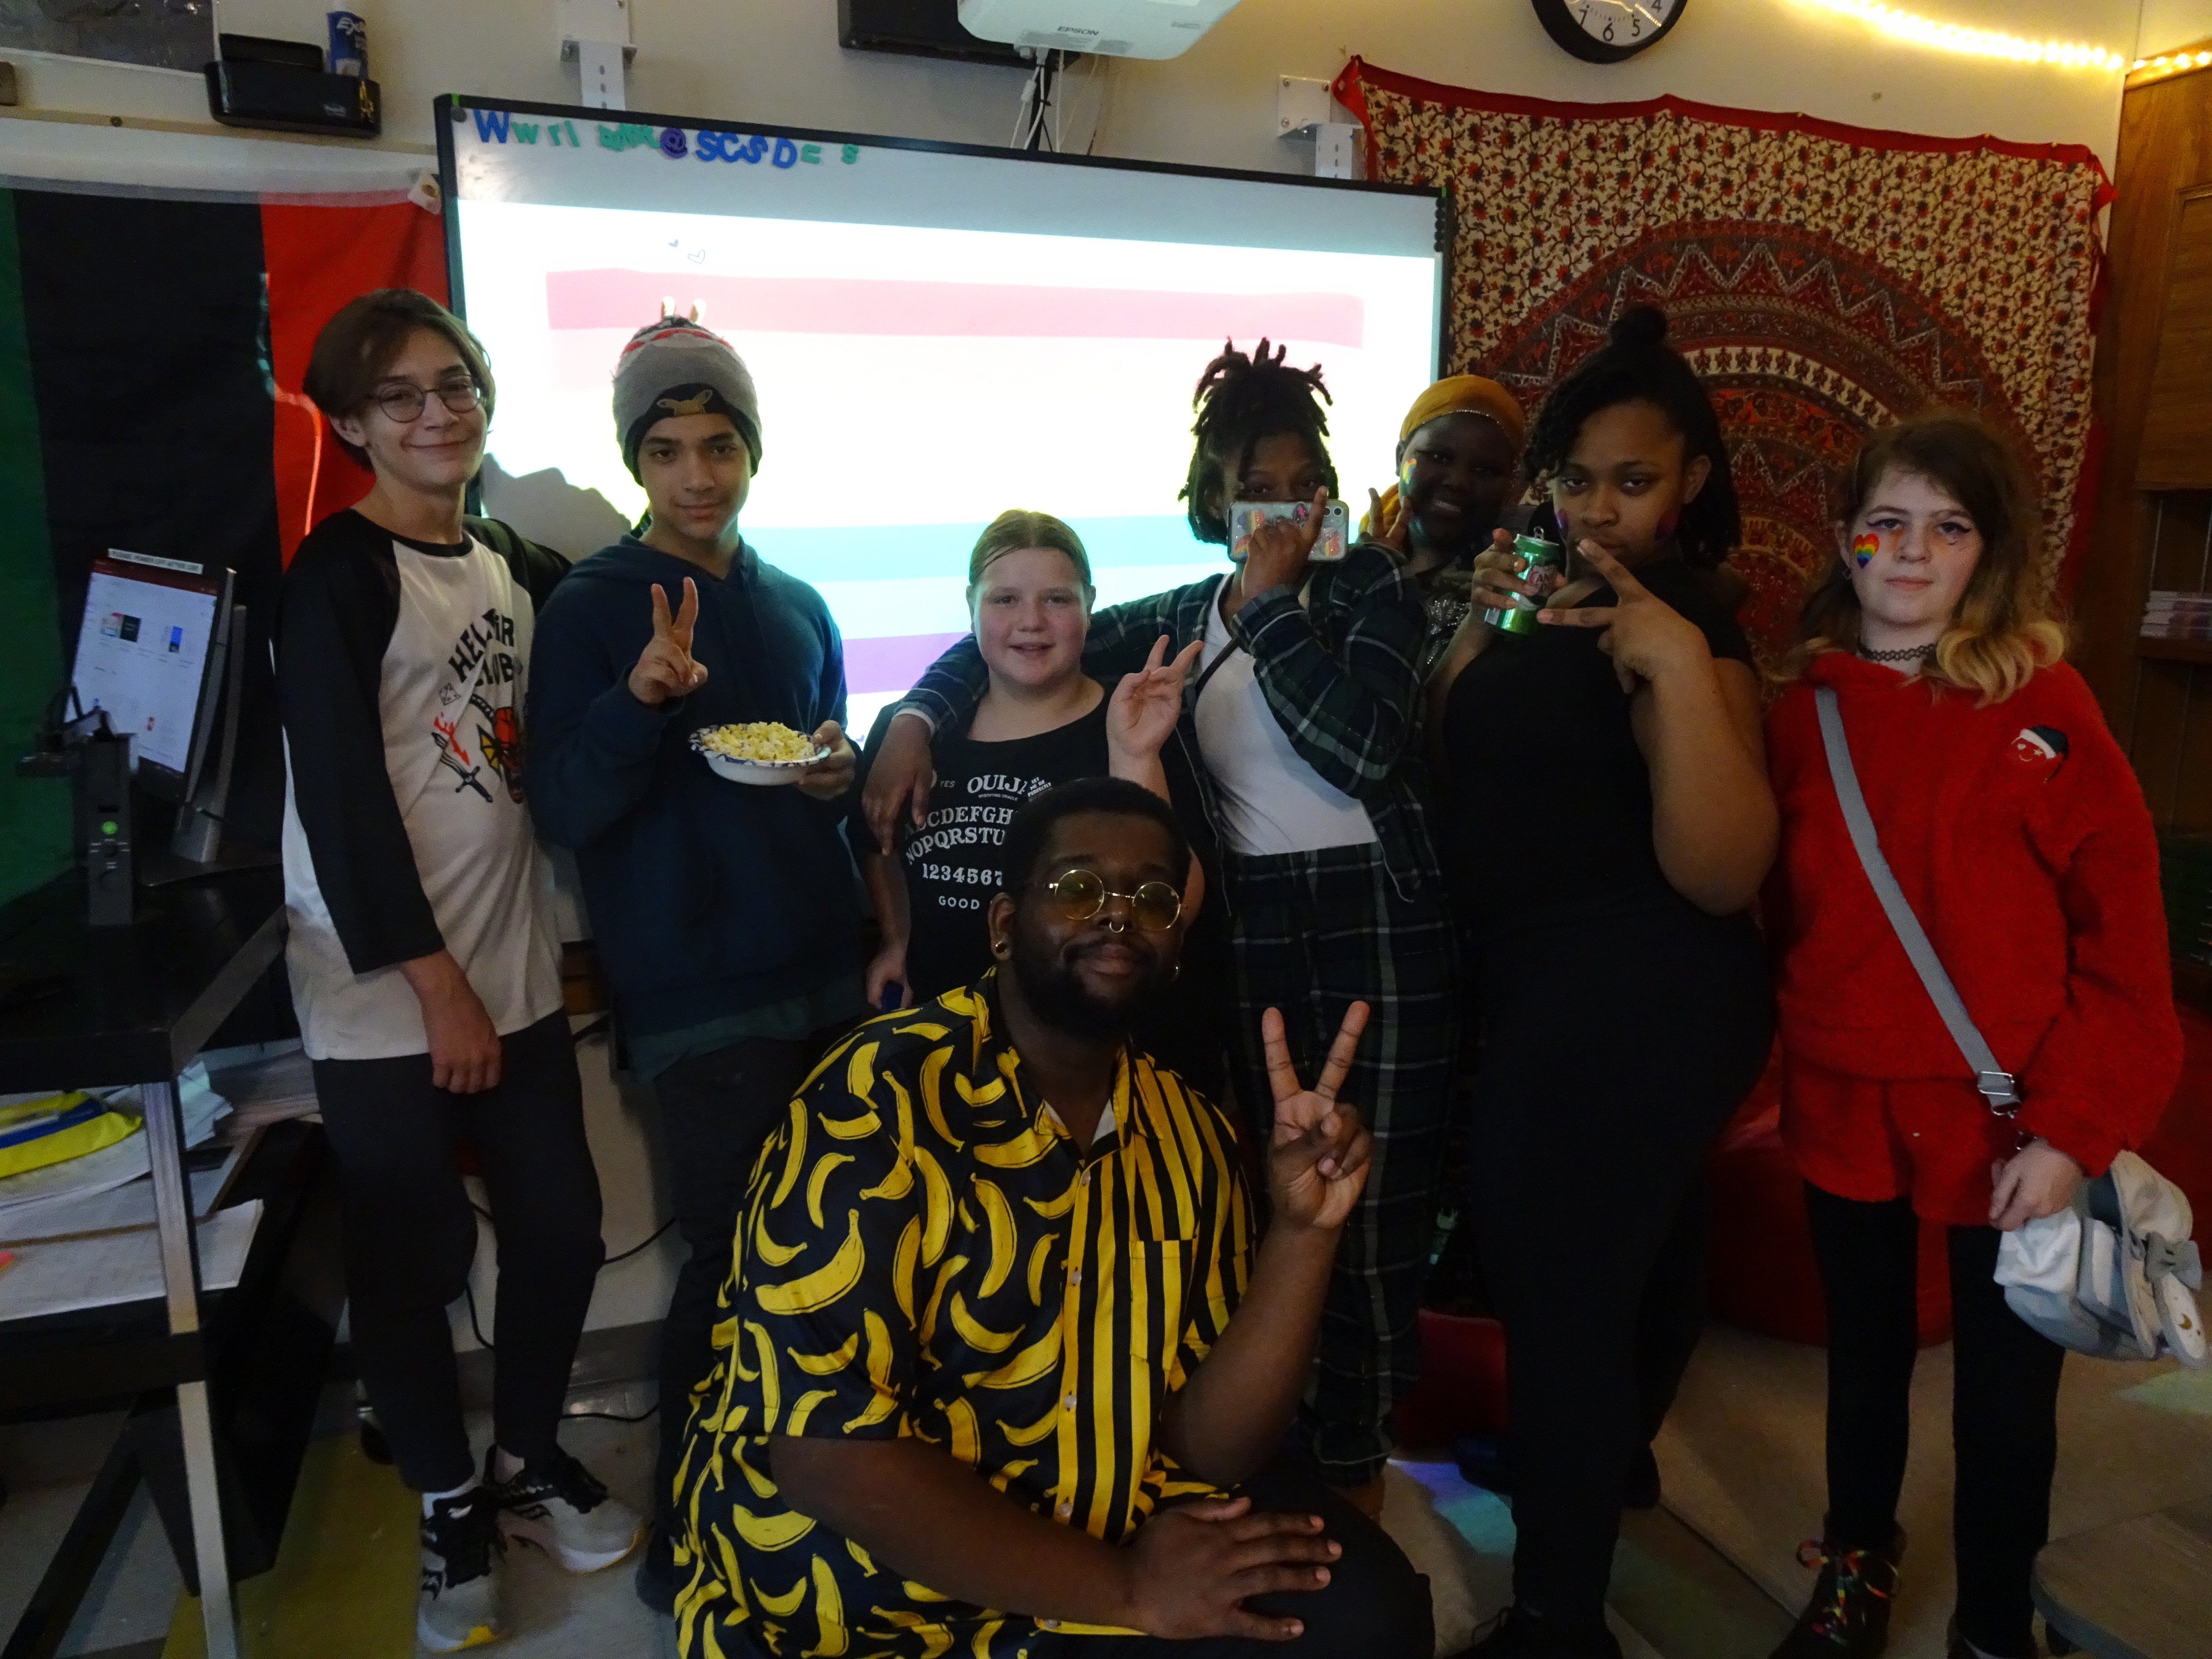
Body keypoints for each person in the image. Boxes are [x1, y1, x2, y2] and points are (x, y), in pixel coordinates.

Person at [862, 341, 1457, 1513]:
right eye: (1253, 487)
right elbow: (1031, 629)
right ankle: (1267, 1435)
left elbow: (1364, 747)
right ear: (1212, 500)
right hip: (1247, 928)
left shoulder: (1370, 587)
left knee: (1370, 1204)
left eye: (1302, 481)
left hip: (1376, 924)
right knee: (1260, 1184)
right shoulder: (1178, 616)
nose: (1280, 506)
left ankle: (1356, 1467)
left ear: (1329, 492)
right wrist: (918, 717)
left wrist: (1278, 603)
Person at [672, 776, 1434, 1659]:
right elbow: (828, 1458)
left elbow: (1208, 1447)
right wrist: (1130, 1590)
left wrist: (1305, 1236)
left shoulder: (1189, 1133)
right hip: (869, 1583)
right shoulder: (874, 1103)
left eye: (1152, 900)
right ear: (1003, 924)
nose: (1117, 916)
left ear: (1177, 947)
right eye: (1077, 889)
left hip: (1113, 1507)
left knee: (1371, 1617)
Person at [1761, 410, 2181, 1659]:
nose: (1911, 551)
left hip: (2010, 1111)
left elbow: (2125, 947)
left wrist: (2072, 1132)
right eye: (1886, 524)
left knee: (2007, 1396)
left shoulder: (2045, 710)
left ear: (1984, 553)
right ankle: (1856, 1560)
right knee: (1866, 1361)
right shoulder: (1797, 715)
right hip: (1847, 1097)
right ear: (1846, 543)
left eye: (1946, 527)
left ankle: (1996, 1616)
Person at [280, 288, 642, 1652]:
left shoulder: (501, 558)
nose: (440, 414)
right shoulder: (336, 577)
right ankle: (443, 1499)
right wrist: (436, 988)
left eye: (459, 385)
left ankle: (525, 1460)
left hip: (516, 967)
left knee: (557, 1226)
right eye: (404, 396)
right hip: (386, 986)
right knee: (414, 1248)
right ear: (356, 423)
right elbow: (341, 803)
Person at [1428, 304, 1777, 1657]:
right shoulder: (1554, 587)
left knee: (1561, 1296)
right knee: (1643, 1251)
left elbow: (1722, 868)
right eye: (1578, 479)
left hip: (1634, 998)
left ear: (1693, 479)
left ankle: (1561, 1617)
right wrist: (1485, 633)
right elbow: (1468, 754)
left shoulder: (1681, 615)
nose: (1600, 508)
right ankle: (1606, 1462)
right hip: (1570, 991)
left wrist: (1682, 673)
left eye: (1634, 482)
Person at [525, 313, 862, 1610]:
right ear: (635, 464)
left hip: (828, 972)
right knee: (732, 1266)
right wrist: (642, 700)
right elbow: (564, 803)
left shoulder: (795, 603)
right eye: (667, 450)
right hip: (699, 997)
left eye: (720, 444)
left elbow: (815, 766)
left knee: (850, 1258)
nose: (698, 474)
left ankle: (835, 1512)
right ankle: (692, 1541)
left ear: (751, 449)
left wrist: (834, 777)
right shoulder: (598, 607)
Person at [856, 509, 1199, 1009]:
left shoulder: (1134, 720)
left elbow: (1180, 906)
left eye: (1057, 599)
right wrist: (896, 938)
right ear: (971, 605)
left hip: (1086, 1034)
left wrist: (1137, 754)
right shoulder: (907, 732)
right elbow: (878, 837)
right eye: (1005, 600)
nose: (1031, 622)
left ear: (1090, 605)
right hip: (941, 1026)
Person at [1361, 375, 1527, 673]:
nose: (1458, 482)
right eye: (1439, 457)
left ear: (1512, 486)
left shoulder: (1512, 586)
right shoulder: (1351, 569)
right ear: (1401, 458)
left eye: (1486, 470)